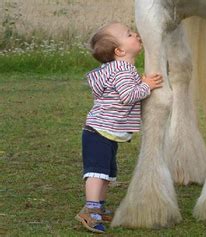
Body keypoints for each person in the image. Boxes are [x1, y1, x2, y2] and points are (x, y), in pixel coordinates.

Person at [75, 22, 163, 233]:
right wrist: (146, 86)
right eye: (130, 34)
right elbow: (127, 96)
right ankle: (91, 209)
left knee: (105, 173)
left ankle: (99, 207)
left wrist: (138, 83)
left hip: (102, 131)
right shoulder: (122, 70)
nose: (136, 35)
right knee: (96, 173)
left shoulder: (117, 69)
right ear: (120, 50)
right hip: (100, 132)